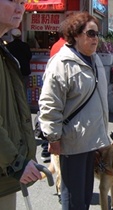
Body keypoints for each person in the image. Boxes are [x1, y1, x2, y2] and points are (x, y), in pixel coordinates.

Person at [38, 12, 111, 209]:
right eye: (91, 33)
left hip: (91, 140)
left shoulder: (94, 59)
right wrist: (53, 138)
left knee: (85, 196)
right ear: (76, 35)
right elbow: (49, 104)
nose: (96, 38)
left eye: (97, 34)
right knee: (73, 200)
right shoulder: (61, 63)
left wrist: (103, 137)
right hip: (72, 142)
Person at [0, 1, 42, 209]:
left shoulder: (4, 51)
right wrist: (16, 162)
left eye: (22, 2)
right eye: (11, 0)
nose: (20, 8)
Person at [40, 22, 67, 163]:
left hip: (54, 86)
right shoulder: (63, 47)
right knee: (51, 117)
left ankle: (45, 149)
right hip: (58, 89)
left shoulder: (57, 45)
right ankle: (46, 149)